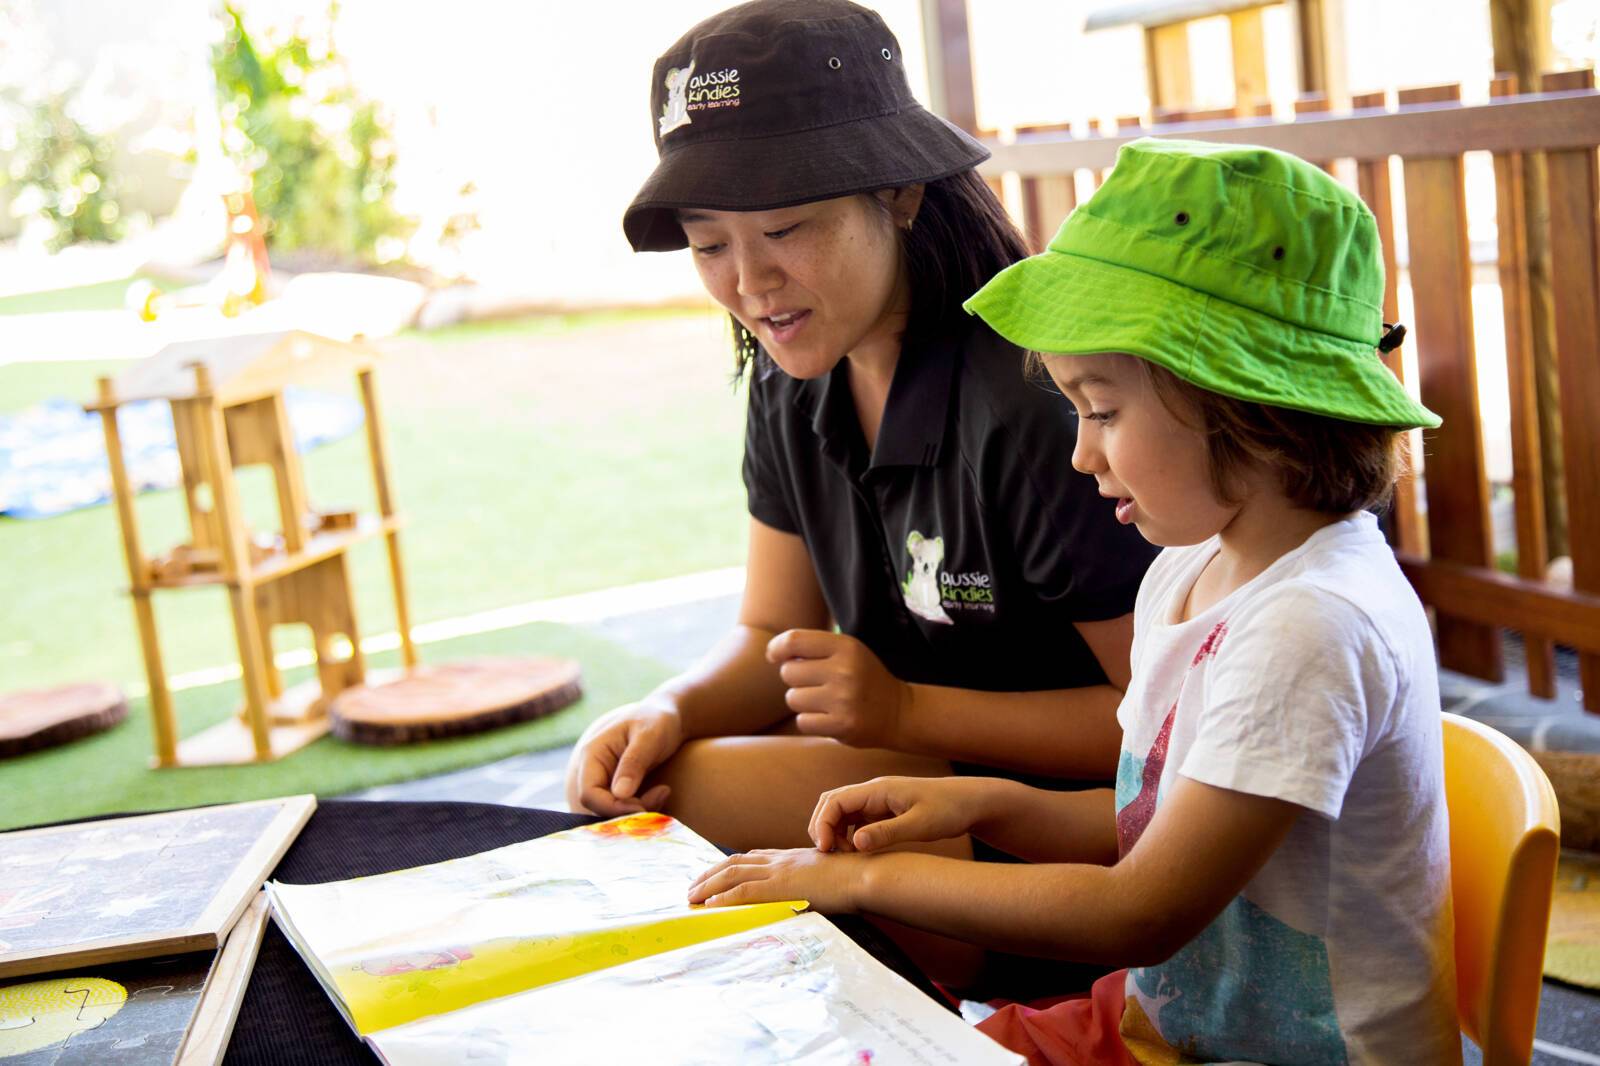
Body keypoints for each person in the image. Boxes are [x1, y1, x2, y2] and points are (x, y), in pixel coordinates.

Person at [687, 138, 1461, 1064]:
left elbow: (1138, 912)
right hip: (1161, 1025)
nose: (1080, 454)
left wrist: (859, 881)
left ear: (1237, 400)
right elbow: (1149, 815)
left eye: (1102, 410)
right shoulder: (1194, 569)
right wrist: (983, 806)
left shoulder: (1313, 627)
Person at [566, 0, 1156, 859]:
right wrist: (668, 707)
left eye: (781, 229)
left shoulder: (1034, 398)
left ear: (901, 193)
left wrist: (909, 711)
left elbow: (1165, 725)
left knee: (675, 807)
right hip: (919, 765)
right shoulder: (788, 375)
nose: (751, 284)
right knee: (631, 780)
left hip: (1070, 826)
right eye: (708, 246)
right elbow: (770, 629)